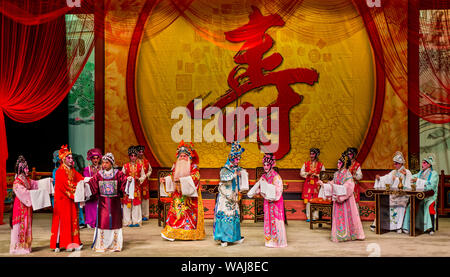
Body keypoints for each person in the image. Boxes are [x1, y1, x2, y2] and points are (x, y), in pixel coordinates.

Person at [160, 141, 205, 241]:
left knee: (187, 214)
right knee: (175, 213)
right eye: (181, 156)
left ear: (189, 157)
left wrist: (182, 180)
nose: (182, 158)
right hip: (177, 195)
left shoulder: (194, 167)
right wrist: (166, 179)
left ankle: (190, 233)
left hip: (189, 196)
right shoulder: (176, 166)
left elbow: (195, 179)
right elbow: (172, 176)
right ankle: (171, 233)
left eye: (185, 156)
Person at [86, 153, 130, 252]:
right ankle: (102, 245)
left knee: (115, 223)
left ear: (111, 163)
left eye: (106, 162)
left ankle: (115, 245)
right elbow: (92, 184)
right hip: (103, 203)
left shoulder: (118, 174)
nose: (104, 165)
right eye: (103, 162)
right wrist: (85, 184)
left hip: (115, 203)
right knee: (103, 222)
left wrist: (129, 181)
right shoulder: (99, 174)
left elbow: (124, 184)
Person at [9, 156, 51, 254]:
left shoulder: (26, 179)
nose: (28, 170)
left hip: (26, 207)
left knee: (27, 225)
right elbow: (25, 193)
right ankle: (17, 248)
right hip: (19, 207)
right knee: (19, 227)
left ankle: (25, 247)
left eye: (27, 168)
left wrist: (48, 181)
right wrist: (32, 193)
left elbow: (35, 184)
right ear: (21, 169)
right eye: (26, 168)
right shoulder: (17, 182)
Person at [319, 152, 365, 242]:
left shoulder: (348, 174)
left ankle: (351, 234)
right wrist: (324, 185)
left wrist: (338, 191)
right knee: (338, 217)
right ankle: (339, 235)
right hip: (337, 199)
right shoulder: (336, 174)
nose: (337, 164)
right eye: (338, 163)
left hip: (347, 200)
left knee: (349, 217)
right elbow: (333, 183)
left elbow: (349, 187)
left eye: (339, 163)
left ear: (344, 164)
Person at [50, 145, 85, 252]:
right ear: (63, 159)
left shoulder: (72, 170)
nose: (71, 160)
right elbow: (67, 185)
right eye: (68, 158)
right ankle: (61, 244)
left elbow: (81, 178)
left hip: (70, 200)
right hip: (62, 201)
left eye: (71, 158)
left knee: (72, 220)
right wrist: (78, 189)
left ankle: (73, 242)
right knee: (63, 221)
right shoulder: (60, 171)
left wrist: (90, 180)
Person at [213, 141, 247, 247]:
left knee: (234, 216)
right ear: (231, 158)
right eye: (236, 159)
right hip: (225, 197)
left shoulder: (238, 169)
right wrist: (234, 174)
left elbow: (243, 177)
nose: (237, 161)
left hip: (234, 197)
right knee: (225, 215)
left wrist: (242, 174)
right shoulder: (225, 169)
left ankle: (234, 237)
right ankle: (223, 238)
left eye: (238, 159)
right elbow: (223, 178)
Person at [250, 153, 287, 248]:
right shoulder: (263, 177)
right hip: (267, 201)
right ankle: (269, 241)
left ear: (271, 165)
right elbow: (261, 187)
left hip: (275, 202)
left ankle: (278, 241)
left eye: (267, 165)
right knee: (268, 220)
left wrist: (270, 192)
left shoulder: (276, 176)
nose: (265, 167)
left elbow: (279, 190)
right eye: (264, 165)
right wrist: (258, 191)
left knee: (276, 220)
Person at [370, 151, 411, 233]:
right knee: (383, 202)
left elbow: (408, 184)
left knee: (398, 205)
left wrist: (399, 178)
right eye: (394, 163)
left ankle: (398, 227)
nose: (395, 165)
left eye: (396, 163)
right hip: (394, 194)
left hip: (402, 195)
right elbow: (387, 178)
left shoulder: (407, 172)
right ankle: (380, 224)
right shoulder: (394, 172)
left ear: (401, 164)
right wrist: (379, 179)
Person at [402, 155, 439, 235]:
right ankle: (408, 227)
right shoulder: (420, 173)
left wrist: (418, 180)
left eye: (424, 163)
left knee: (427, 206)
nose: (422, 164)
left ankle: (430, 228)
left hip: (429, 197)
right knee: (410, 206)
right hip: (419, 195)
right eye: (422, 162)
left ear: (429, 165)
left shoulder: (434, 174)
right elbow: (412, 178)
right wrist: (406, 174)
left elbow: (432, 185)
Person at [122, 146, 146, 227]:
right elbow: (121, 176)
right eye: (131, 156)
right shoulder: (125, 166)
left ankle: (136, 221)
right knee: (127, 205)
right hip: (128, 189)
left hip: (136, 188)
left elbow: (143, 176)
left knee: (136, 204)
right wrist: (126, 179)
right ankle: (127, 221)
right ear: (129, 156)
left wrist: (138, 179)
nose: (133, 157)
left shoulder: (140, 166)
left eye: (134, 156)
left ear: (136, 156)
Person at [300, 148, 325, 222]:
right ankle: (309, 216)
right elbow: (301, 173)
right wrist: (308, 173)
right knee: (308, 200)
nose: (311, 155)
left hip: (316, 184)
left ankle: (315, 216)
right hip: (308, 184)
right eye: (310, 154)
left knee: (316, 199)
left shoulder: (321, 165)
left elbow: (324, 175)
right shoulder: (306, 164)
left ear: (316, 155)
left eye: (313, 154)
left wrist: (317, 175)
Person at [83, 148, 103, 228]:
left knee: (99, 207)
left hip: (99, 191)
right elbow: (85, 179)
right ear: (91, 159)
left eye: (97, 158)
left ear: (99, 158)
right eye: (94, 158)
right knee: (90, 206)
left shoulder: (102, 168)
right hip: (90, 191)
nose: (95, 160)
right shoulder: (87, 169)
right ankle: (90, 222)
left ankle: (99, 222)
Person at [136, 145, 152, 221]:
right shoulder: (134, 162)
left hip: (145, 183)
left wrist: (146, 175)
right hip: (137, 183)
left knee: (145, 200)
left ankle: (145, 215)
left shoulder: (146, 161)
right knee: (137, 199)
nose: (141, 153)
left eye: (142, 152)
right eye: (139, 152)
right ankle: (138, 216)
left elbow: (150, 170)